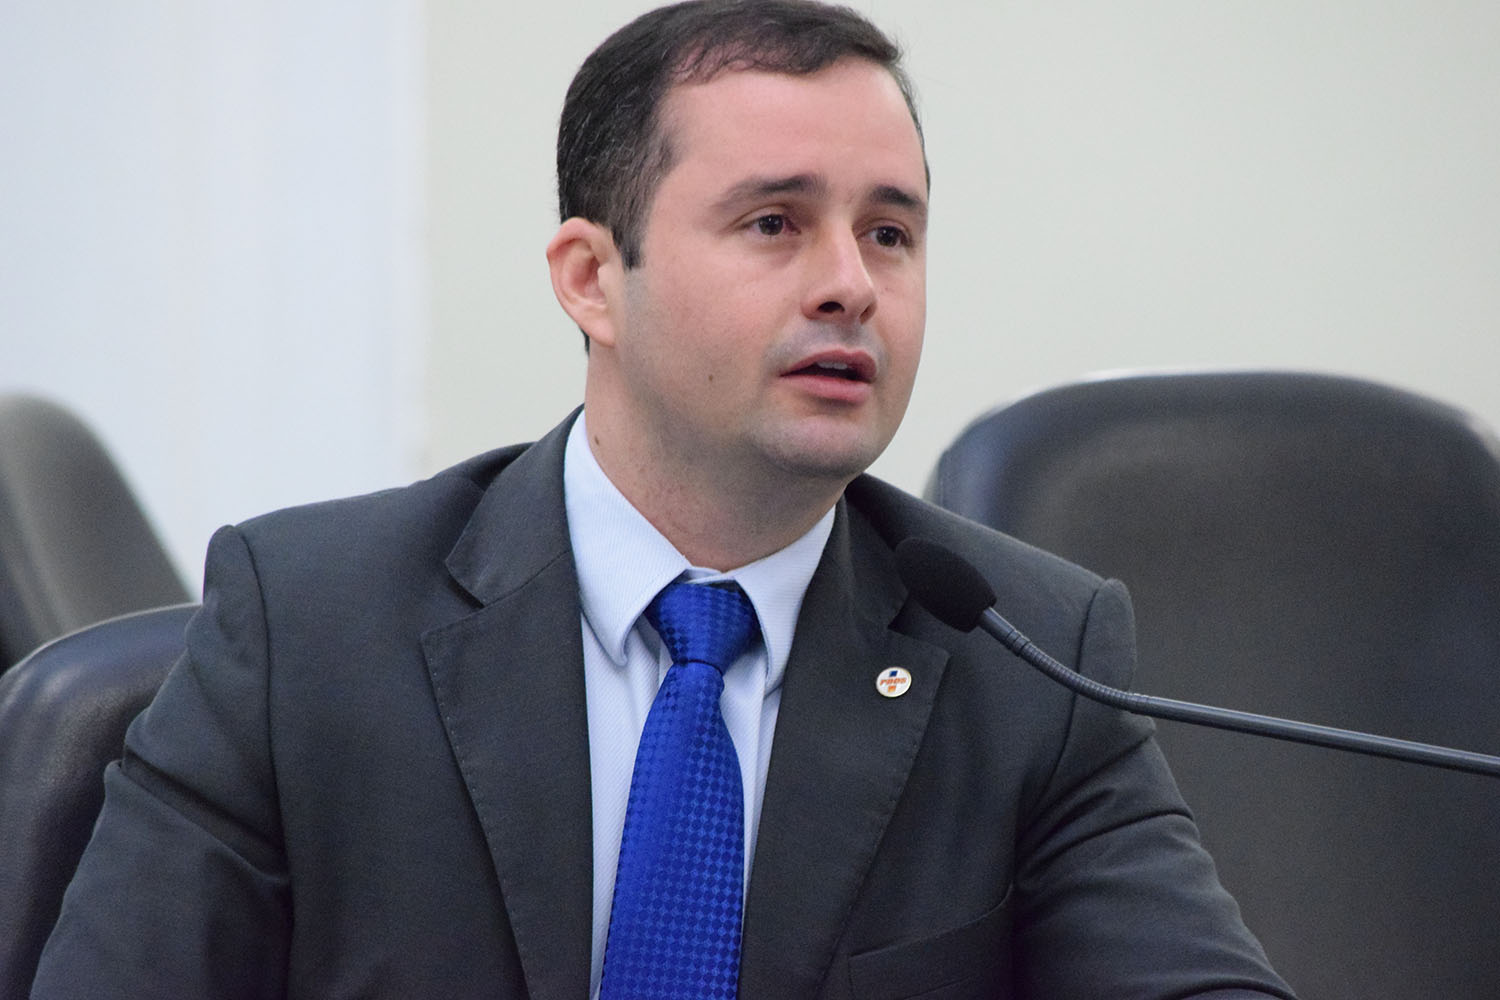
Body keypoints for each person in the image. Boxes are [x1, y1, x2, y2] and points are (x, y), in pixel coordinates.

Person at [34, 2, 1295, 997]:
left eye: (890, 233)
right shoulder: (307, 626)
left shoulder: (1029, 659)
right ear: (592, 278)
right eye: (774, 223)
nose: (852, 285)